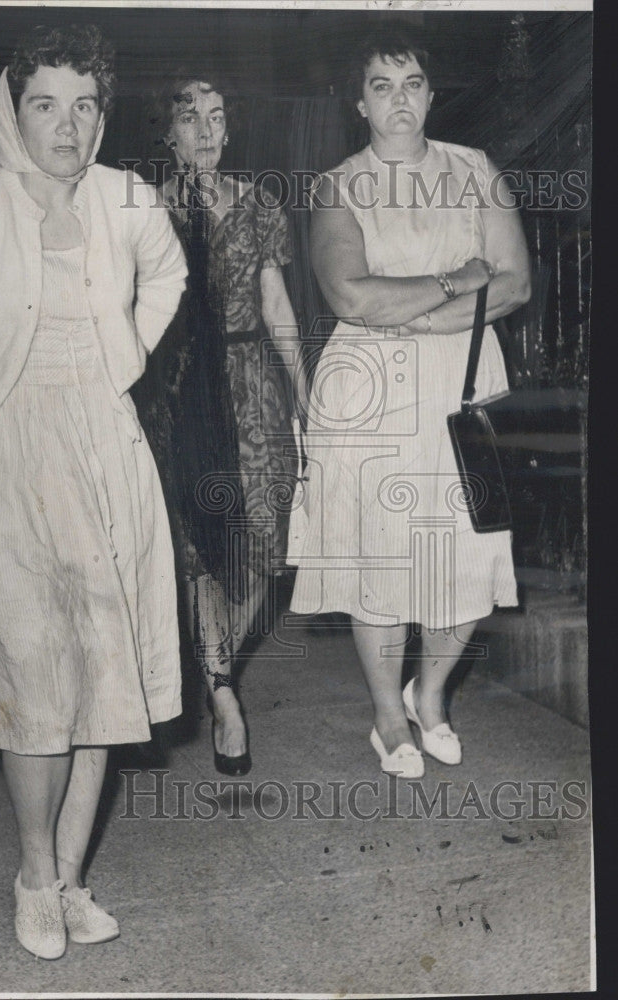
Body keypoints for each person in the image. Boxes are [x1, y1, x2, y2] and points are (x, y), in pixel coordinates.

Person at [0, 25, 187, 959]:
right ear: (14, 111)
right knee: (31, 679)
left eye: (85, 104)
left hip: (104, 452)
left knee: (103, 677)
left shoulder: (126, 198)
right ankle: (34, 874)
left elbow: (170, 274)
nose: (68, 125)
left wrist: (127, 353)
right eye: (46, 104)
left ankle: (67, 878)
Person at [290, 33, 531, 778]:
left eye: (413, 83)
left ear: (430, 96)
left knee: (468, 551)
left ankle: (429, 695)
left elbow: (516, 284)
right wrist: (460, 281)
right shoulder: (337, 186)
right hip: (368, 394)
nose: (400, 98)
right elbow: (349, 295)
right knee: (381, 556)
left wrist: (419, 312)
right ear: (360, 102)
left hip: (462, 383)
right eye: (382, 85)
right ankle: (388, 719)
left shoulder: (473, 171)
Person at [133, 76, 300, 775]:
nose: (205, 130)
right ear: (167, 134)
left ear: (229, 130)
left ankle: (213, 661)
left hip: (252, 387)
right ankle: (224, 691)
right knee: (199, 548)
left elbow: (276, 306)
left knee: (265, 543)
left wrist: (308, 400)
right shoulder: (144, 210)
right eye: (188, 117)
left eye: (216, 116)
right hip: (179, 396)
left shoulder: (259, 207)